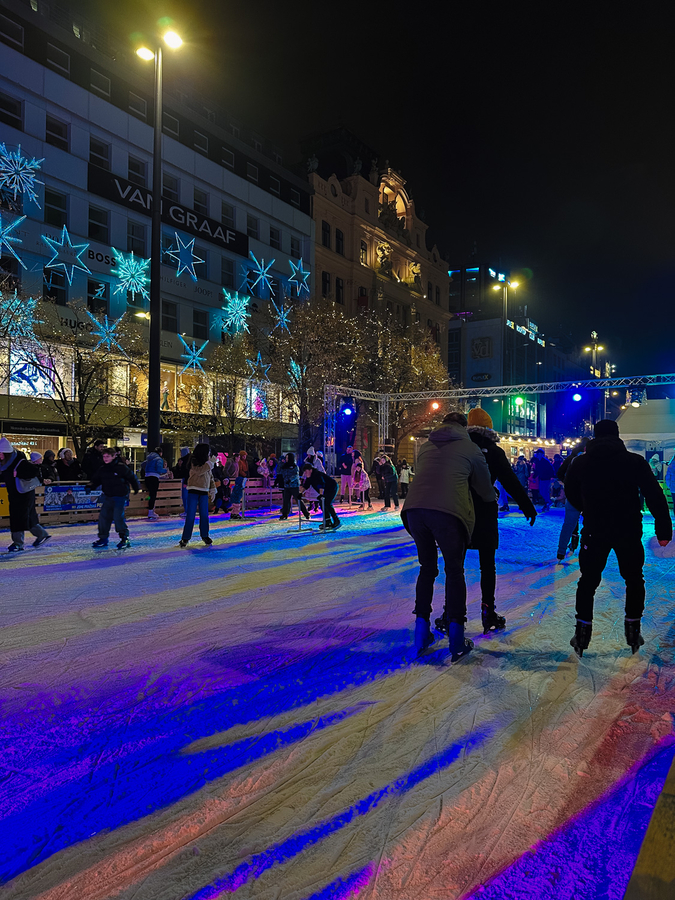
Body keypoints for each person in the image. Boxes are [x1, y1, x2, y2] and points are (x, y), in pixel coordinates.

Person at [564, 419, 672, 657]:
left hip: (595, 529)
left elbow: (570, 491)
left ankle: (582, 632)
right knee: (634, 579)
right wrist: (664, 528)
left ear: (594, 436)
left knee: (588, 580)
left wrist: (586, 507)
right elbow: (654, 494)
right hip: (628, 529)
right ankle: (633, 629)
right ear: (617, 435)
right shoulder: (634, 462)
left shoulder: (581, 462)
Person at [434, 407, 537, 637]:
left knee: (454, 566)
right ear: (489, 428)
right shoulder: (493, 451)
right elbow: (509, 481)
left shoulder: (456, 448)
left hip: (458, 510)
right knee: (487, 566)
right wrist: (526, 505)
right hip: (485, 511)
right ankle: (488, 612)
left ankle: (449, 613)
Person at [401, 412, 495, 660]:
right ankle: (456, 637)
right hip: (448, 514)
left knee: (427, 568)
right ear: (465, 427)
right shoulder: (471, 447)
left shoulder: (426, 446)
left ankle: (421, 631)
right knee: (454, 571)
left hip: (414, 511)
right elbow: (485, 491)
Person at [0, 437, 51, 551]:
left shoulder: (19, 461)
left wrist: (18, 474)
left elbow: (34, 471)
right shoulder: (5, 463)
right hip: (16, 493)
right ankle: (41, 534)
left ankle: (18, 543)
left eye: (1, 453)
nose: (0, 455)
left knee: (18, 517)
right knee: (26, 516)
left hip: (23, 494)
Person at [90, 447, 140, 549]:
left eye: (107, 456)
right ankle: (103, 538)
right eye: (104, 456)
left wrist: (136, 487)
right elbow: (96, 479)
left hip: (120, 497)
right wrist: (90, 486)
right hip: (108, 497)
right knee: (103, 517)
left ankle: (124, 538)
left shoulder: (121, 467)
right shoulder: (103, 468)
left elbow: (132, 477)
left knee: (118, 518)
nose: (105, 458)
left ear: (113, 456)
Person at [555, 439, 590, 561]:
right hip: (588, 498)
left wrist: (567, 487)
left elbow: (560, 474)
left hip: (573, 496)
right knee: (590, 526)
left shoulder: (571, 459)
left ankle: (561, 551)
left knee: (568, 524)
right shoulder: (593, 460)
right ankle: (586, 550)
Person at [179, 443, 216, 547]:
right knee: (190, 516)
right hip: (193, 491)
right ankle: (185, 538)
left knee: (204, 515)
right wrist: (210, 464)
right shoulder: (193, 461)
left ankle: (205, 535)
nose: (209, 453)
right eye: (208, 451)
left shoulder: (207, 462)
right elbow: (199, 471)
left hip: (204, 492)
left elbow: (210, 475)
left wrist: (213, 488)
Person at [300, 463, 340, 530]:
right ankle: (327, 521)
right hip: (326, 489)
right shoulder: (309, 477)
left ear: (310, 470)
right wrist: (300, 493)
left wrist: (321, 495)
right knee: (322, 503)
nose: (305, 473)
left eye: (306, 471)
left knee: (327, 503)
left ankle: (336, 520)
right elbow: (306, 486)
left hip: (332, 487)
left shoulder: (317, 474)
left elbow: (322, 484)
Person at [279, 452, 310, 520]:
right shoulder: (284, 466)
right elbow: (281, 472)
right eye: (286, 458)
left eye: (287, 458)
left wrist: (290, 480)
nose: (286, 459)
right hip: (287, 486)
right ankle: (284, 514)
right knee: (286, 501)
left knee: (298, 500)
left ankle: (306, 513)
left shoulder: (295, 466)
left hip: (294, 486)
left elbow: (295, 475)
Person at [143, 446, 166, 519]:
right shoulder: (159, 459)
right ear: (160, 453)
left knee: (150, 494)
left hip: (147, 477)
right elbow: (159, 469)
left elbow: (142, 464)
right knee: (153, 495)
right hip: (154, 478)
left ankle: (151, 510)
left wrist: (148, 470)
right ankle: (151, 512)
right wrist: (166, 470)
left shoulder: (149, 458)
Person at [229, 450, 248, 519]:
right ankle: (235, 514)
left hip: (236, 499)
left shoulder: (244, 462)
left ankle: (234, 514)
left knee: (237, 506)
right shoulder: (237, 487)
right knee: (237, 507)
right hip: (236, 500)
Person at [172, 447, 191, 515]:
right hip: (190, 481)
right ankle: (188, 511)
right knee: (188, 497)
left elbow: (186, 472)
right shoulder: (189, 460)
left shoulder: (185, 461)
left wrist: (185, 482)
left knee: (185, 497)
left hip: (186, 481)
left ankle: (187, 511)